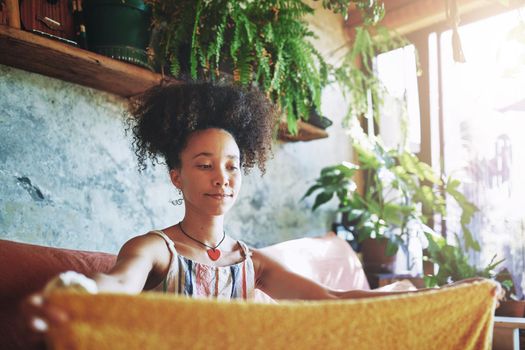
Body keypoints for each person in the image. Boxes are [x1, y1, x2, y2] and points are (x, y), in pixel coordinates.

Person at [25, 81, 501, 334]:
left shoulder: (250, 262)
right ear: (177, 176)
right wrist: (77, 293)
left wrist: (440, 296)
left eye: (232, 166)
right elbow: (117, 284)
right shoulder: (156, 250)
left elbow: (331, 303)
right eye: (204, 164)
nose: (221, 178)